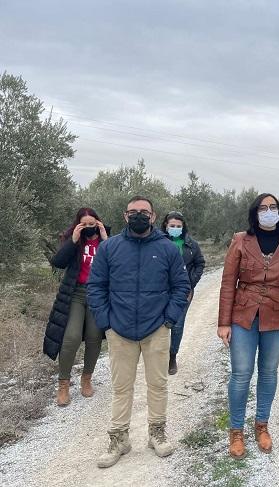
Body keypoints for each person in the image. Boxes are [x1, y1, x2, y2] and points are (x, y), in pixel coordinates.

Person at [87, 196, 190, 468]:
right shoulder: (109, 248)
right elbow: (96, 287)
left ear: (154, 217)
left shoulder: (168, 249)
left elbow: (181, 287)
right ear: (124, 216)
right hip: (119, 329)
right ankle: (119, 438)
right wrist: (105, 321)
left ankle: (156, 433)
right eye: (133, 212)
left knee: (158, 384)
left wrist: (169, 319)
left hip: (156, 328)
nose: (138, 216)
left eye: (144, 212)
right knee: (121, 387)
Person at [218, 193, 279, 459]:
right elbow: (227, 281)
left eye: (273, 207)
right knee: (241, 374)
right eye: (264, 208)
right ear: (255, 213)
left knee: (268, 372)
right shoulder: (241, 241)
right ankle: (236, 431)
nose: (269, 211)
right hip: (243, 315)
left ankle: (262, 425)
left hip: (278, 316)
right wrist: (223, 322)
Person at [43, 208, 109, 406]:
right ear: (79, 224)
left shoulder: (107, 240)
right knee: (70, 337)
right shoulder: (74, 240)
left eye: (92, 224)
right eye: (85, 224)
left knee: (94, 337)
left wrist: (106, 239)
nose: (89, 228)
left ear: (98, 222)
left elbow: (117, 264)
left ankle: (86, 378)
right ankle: (63, 384)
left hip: (98, 295)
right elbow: (58, 262)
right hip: (76, 294)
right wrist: (73, 240)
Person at [161, 211, 205, 375]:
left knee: (177, 325)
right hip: (161, 291)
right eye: (172, 226)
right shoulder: (157, 242)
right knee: (160, 324)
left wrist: (191, 282)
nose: (175, 228)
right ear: (166, 225)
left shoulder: (191, 244)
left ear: (183, 227)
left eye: (178, 226)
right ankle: (159, 356)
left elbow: (200, 263)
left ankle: (172, 356)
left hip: (184, 291)